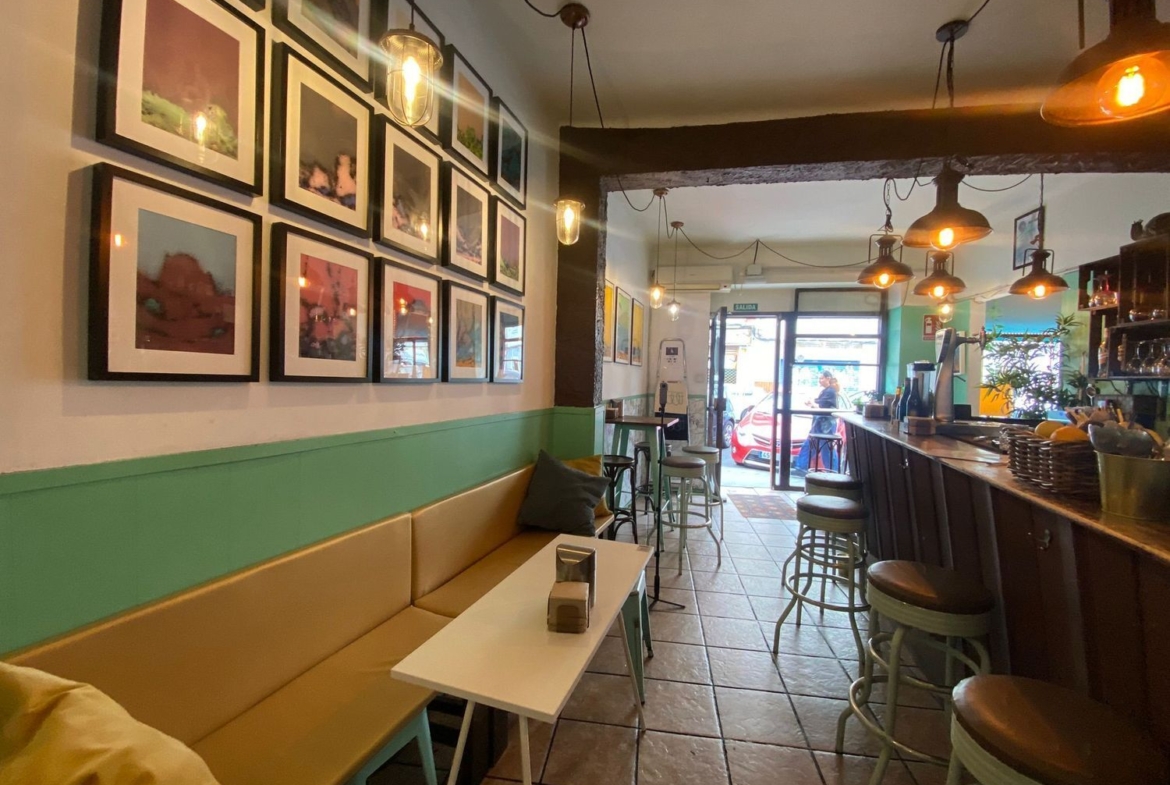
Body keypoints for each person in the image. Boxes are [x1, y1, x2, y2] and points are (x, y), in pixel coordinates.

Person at [794, 371, 841, 472]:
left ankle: (833, 470)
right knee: (810, 445)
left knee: (825, 448)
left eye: (822, 378)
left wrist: (812, 403)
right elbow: (819, 404)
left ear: (828, 378)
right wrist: (812, 403)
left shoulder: (830, 391)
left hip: (825, 426)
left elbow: (821, 406)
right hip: (820, 424)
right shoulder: (826, 391)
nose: (820, 381)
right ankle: (801, 467)